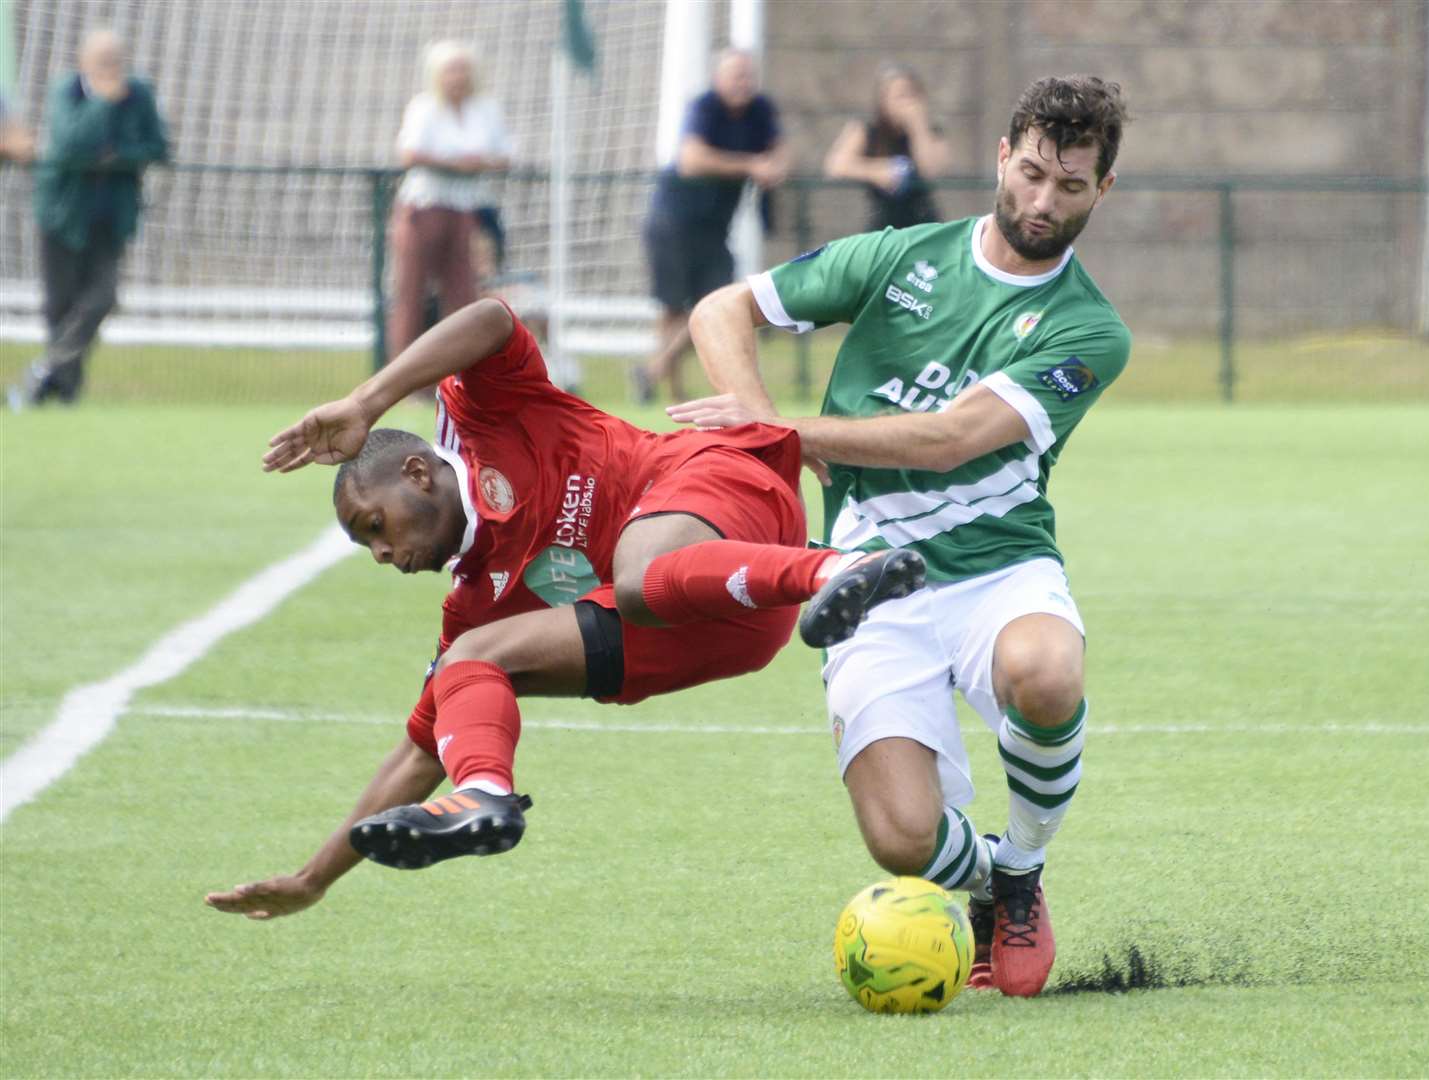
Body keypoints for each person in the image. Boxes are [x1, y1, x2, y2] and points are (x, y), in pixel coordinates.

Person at [205, 297, 922, 918]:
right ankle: (487, 794)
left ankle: (840, 567)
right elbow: (420, 753)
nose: (382, 555)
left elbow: (489, 318)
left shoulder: (488, 410)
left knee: (639, 577)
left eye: (374, 527)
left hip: (724, 494)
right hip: (726, 624)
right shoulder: (474, 607)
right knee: (467, 664)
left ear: (417, 473)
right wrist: (311, 880)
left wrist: (365, 402)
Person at [669, 76, 1131, 998]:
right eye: (1033, 172)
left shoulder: (1090, 331)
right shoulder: (899, 255)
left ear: (1101, 191)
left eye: (1070, 186)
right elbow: (721, 311)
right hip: (867, 576)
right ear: (1002, 157)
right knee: (901, 838)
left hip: (998, 567)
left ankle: (1025, 870)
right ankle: (986, 879)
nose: (1043, 201)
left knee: (1046, 669)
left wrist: (789, 436)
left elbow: (952, 435)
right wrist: (767, 433)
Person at [8, 29, 167, 410]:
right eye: (101, 61)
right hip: (62, 214)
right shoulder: (67, 91)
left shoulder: (138, 94)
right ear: (83, 61)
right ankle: (64, 392)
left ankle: (44, 370)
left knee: (102, 297)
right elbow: (69, 142)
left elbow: (156, 146)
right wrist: (101, 104)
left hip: (110, 218)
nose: (110, 70)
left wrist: (118, 155)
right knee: (59, 306)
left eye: (115, 61)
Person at [634, 48, 790, 405]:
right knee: (672, 307)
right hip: (674, 220)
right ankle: (671, 393)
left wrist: (773, 165)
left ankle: (652, 371)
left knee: (715, 302)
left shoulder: (761, 111)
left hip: (715, 229)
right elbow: (691, 160)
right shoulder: (704, 108)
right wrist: (752, 165)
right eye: (735, 75)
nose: (743, 82)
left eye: (747, 75)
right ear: (718, 78)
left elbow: (781, 154)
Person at [387, 40, 513, 366]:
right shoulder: (425, 107)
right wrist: (454, 163)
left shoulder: (484, 109)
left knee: (462, 294)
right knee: (412, 293)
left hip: (465, 209)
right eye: (451, 70)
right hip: (425, 207)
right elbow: (409, 153)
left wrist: (479, 163)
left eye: (463, 70)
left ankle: (459, 377)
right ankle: (405, 378)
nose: (458, 77)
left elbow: (504, 155)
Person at [823, 64, 950, 231]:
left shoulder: (930, 131)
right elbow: (835, 165)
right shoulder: (867, 129)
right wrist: (875, 171)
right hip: (883, 220)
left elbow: (931, 169)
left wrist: (917, 126)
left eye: (911, 95)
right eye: (899, 96)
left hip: (922, 220)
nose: (907, 103)